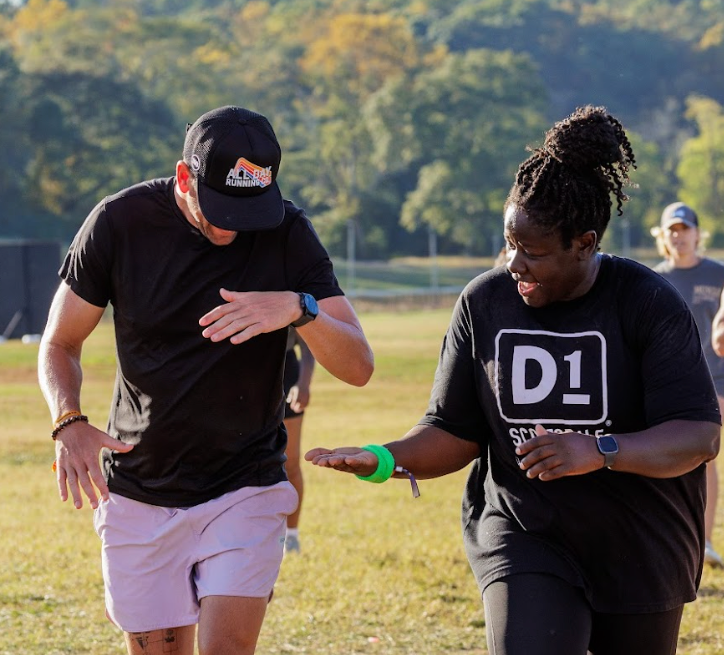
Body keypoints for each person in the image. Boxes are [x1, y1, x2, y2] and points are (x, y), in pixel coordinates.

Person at [306, 106, 721, 655]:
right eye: (509, 245)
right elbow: (455, 429)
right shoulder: (486, 301)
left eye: (534, 251)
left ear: (585, 242)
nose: (516, 264)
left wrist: (600, 449)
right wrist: (384, 458)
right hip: (526, 532)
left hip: (641, 541)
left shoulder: (646, 302)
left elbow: (698, 435)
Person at [38, 105, 374, 655]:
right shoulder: (119, 222)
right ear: (184, 177)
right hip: (139, 491)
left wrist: (300, 309)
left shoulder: (287, 231)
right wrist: (68, 420)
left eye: (249, 209)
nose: (233, 226)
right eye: (220, 208)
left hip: (245, 486)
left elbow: (359, 365)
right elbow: (59, 342)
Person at [652, 202, 724, 569]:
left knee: (704, 456)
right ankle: (677, 540)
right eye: (672, 230)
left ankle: (706, 542)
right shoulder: (653, 278)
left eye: (685, 229)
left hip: (715, 380)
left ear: (699, 234)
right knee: (669, 459)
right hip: (670, 382)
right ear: (663, 237)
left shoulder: (718, 274)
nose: (679, 236)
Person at [282, 327, 316, 554]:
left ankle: (291, 536)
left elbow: (307, 345)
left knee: (290, 462)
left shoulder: (286, 290)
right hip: (239, 373)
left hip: (285, 372)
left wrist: (303, 383)